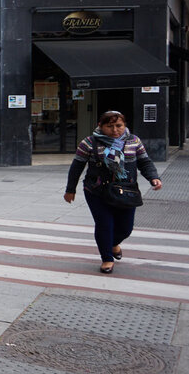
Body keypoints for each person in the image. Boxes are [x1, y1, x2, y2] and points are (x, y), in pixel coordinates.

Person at [64, 111, 162, 274]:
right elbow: (77, 167)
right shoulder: (89, 143)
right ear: (100, 126)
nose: (115, 130)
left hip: (127, 190)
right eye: (110, 126)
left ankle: (114, 243)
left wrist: (153, 178)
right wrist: (70, 190)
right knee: (105, 225)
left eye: (119, 126)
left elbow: (144, 162)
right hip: (97, 191)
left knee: (126, 228)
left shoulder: (134, 141)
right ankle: (107, 258)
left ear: (125, 125)